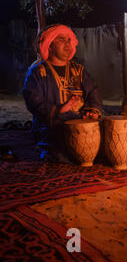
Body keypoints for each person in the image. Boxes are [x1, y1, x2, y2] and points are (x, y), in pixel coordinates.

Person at [22, 24, 102, 162]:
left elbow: (93, 92)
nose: (67, 44)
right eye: (61, 40)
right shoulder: (38, 71)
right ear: (50, 45)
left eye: (69, 40)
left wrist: (92, 111)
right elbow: (32, 100)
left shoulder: (79, 70)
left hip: (80, 122)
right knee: (61, 152)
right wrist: (58, 110)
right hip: (51, 126)